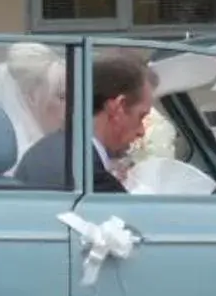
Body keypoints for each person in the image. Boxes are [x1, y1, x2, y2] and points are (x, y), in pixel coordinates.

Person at [14, 48, 154, 192]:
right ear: (118, 107)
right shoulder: (94, 180)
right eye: (141, 117)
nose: (141, 131)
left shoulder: (40, 152)